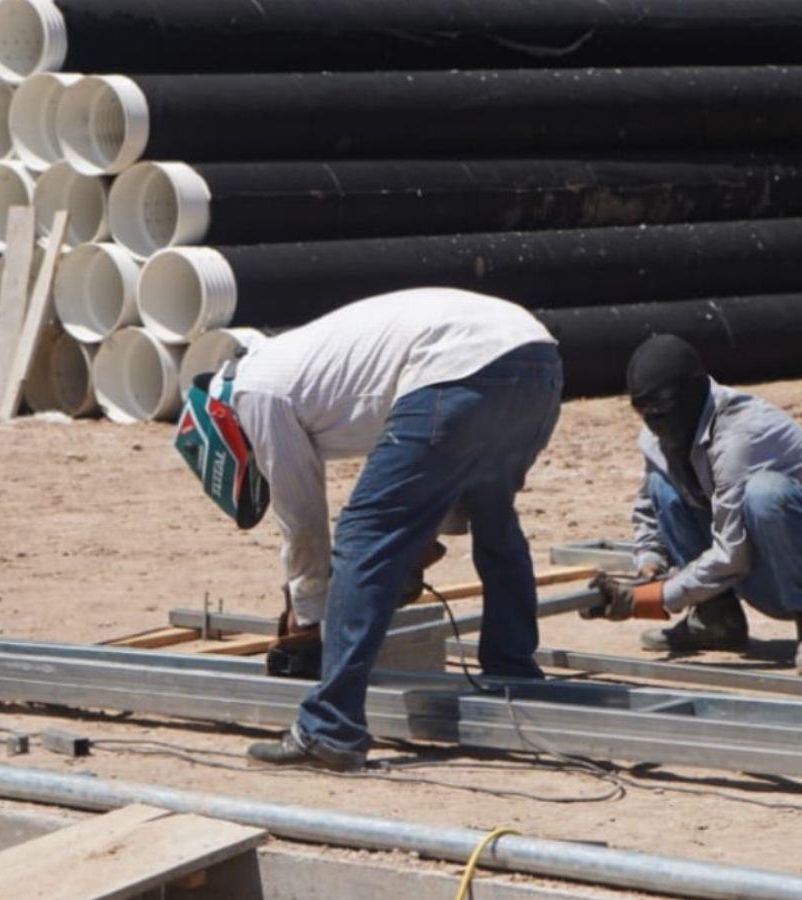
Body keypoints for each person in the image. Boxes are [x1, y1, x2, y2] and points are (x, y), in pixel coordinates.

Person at [175, 287, 563, 769]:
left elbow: (304, 525)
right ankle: (513, 673)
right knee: (494, 518)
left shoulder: (256, 390)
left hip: (457, 365)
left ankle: (329, 728)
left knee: (360, 536)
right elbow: (443, 466)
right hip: (537, 362)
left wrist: (311, 611)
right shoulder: (312, 366)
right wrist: (415, 546)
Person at [590, 334, 802, 676]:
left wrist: (649, 599)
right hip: (761, 569)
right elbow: (650, 507)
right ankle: (715, 618)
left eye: (662, 409)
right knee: (663, 484)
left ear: (690, 395)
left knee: (766, 494)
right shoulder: (658, 437)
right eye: (644, 411)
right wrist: (649, 564)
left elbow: (730, 555)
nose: (654, 421)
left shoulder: (741, 433)